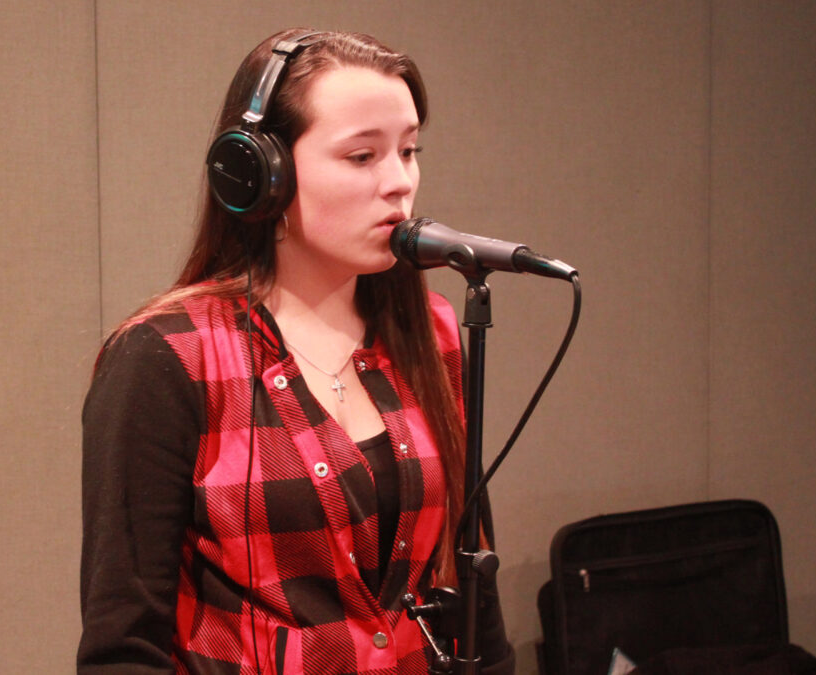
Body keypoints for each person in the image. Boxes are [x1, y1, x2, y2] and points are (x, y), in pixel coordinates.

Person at [78, 28, 514, 674]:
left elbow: (475, 592)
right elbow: (124, 646)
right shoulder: (166, 356)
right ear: (262, 172)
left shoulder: (433, 330)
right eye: (362, 156)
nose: (399, 182)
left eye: (408, 151)